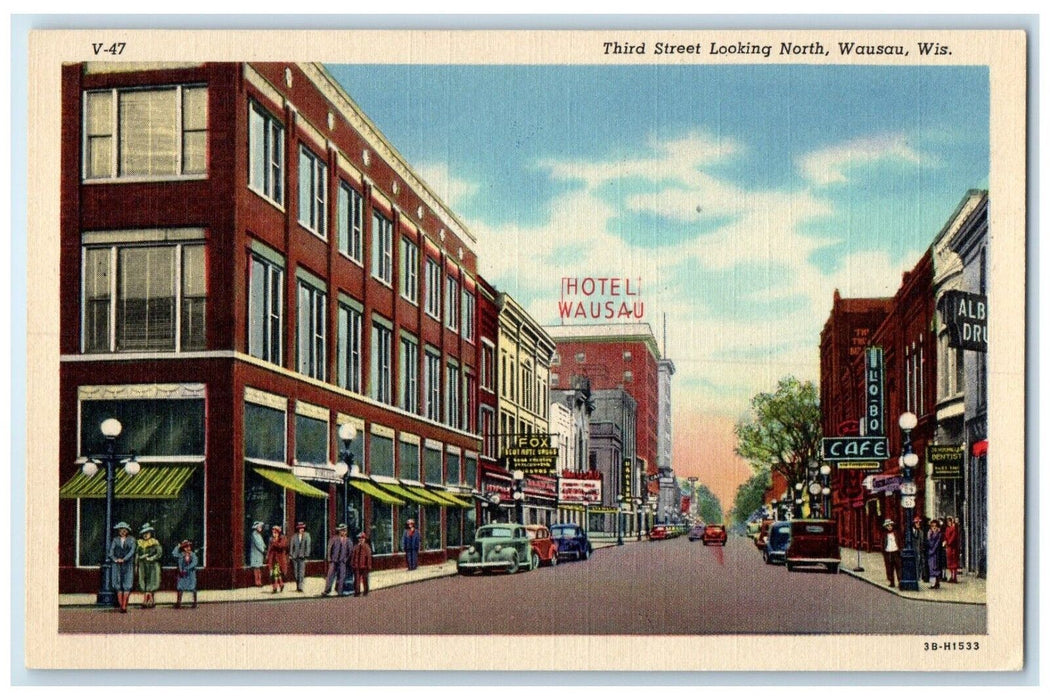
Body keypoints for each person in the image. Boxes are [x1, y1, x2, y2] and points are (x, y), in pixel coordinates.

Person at [108, 521, 137, 613]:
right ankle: (121, 606)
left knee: (127, 584)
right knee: (118, 584)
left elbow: (132, 551)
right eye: (121, 530)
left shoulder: (132, 540)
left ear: (127, 531)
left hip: (127, 564)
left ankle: (124, 606)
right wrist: (115, 559)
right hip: (117, 564)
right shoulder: (115, 540)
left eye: (124, 530)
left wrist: (124, 559)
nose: (122, 532)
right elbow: (111, 552)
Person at [135, 522, 163, 609]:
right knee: (143, 581)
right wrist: (137, 563)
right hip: (142, 564)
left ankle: (148, 600)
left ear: (150, 533)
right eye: (144, 534)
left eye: (147, 533)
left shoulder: (154, 542)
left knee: (152, 581)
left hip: (152, 565)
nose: (145, 535)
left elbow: (159, 553)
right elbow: (136, 554)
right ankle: (148, 600)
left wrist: (151, 558)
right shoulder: (140, 543)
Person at [321, 523, 351, 597]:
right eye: (341, 531)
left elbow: (350, 552)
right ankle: (327, 590)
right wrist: (330, 559)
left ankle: (340, 592)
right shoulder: (334, 539)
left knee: (341, 577)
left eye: (344, 531)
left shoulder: (348, 541)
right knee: (330, 576)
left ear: (346, 532)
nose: (343, 532)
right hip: (334, 561)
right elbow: (329, 549)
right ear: (339, 531)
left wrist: (345, 560)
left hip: (342, 562)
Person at [172, 539, 198, 609]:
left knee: (192, 588)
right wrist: (178, 547)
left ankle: (195, 602)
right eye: (186, 547)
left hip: (190, 574)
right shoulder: (181, 555)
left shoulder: (193, 555)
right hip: (182, 574)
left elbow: (194, 563)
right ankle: (179, 602)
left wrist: (187, 568)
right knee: (180, 588)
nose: (188, 548)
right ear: (183, 548)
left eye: (189, 547)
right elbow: (174, 554)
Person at [265, 525, 289, 594]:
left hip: (280, 559)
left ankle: (277, 586)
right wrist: (267, 556)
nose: (274, 534)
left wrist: (274, 542)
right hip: (273, 559)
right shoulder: (271, 539)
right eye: (273, 533)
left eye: (275, 533)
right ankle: (278, 586)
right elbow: (269, 549)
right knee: (275, 573)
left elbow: (282, 546)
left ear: (278, 533)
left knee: (277, 573)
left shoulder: (282, 538)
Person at [289, 522, 312, 593]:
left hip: (302, 556)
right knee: (296, 572)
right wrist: (291, 554)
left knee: (301, 572)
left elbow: (308, 546)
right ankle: (297, 585)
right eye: (300, 528)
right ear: (298, 529)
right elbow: (291, 546)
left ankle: (300, 587)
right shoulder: (294, 536)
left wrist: (306, 555)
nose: (301, 529)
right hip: (295, 557)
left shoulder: (307, 535)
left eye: (302, 528)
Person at [881, 518, 902, 589]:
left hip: (895, 551)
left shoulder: (896, 533)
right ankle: (892, 582)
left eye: (890, 526)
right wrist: (884, 551)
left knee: (898, 567)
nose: (889, 527)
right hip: (888, 552)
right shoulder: (884, 535)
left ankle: (900, 581)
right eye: (888, 526)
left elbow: (900, 541)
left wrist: (900, 550)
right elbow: (883, 544)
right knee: (890, 568)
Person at [351, 531, 373, 597]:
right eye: (359, 538)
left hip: (364, 566)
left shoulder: (367, 547)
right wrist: (352, 564)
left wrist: (369, 566)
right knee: (356, 580)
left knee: (365, 579)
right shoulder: (355, 547)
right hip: (357, 566)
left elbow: (369, 557)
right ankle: (357, 592)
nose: (361, 539)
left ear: (364, 539)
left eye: (362, 538)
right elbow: (353, 556)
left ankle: (366, 591)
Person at [926, 518, 944, 589]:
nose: (934, 527)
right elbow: (928, 542)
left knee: (936, 568)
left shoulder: (939, 534)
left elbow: (937, 544)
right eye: (932, 526)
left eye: (935, 526)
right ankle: (933, 583)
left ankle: (936, 583)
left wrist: (932, 551)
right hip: (931, 553)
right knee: (931, 568)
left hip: (936, 553)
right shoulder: (929, 533)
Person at [911, 515, 928, 583]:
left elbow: (922, 541)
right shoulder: (910, 532)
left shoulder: (921, 532)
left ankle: (918, 577)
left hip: (919, 551)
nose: (918, 524)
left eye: (919, 523)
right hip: (912, 550)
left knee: (920, 564)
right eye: (916, 523)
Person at [249, 521, 267, 587]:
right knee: (256, 569)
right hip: (256, 554)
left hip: (259, 554)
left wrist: (264, 547)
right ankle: (257, 582)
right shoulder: (254, 534)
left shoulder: (259, 534)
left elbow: (262, 543)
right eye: (259, 527)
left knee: (259, 569)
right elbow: (258, 544)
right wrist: (263, 550)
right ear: (256, 527)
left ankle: (259, 581)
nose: (261, 528)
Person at [944, 516, 961, 583]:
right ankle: (952, 576)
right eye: (948, 522)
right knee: (950, 563)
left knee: (954, 563)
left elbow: (953, 537)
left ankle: (954, 577)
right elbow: (945, 536)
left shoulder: (953, 529)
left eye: (949, 521)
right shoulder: (947, 529)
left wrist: (948, 542)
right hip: (949, 548)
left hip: (953, 548)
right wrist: (945, 541)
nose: (949, 523)